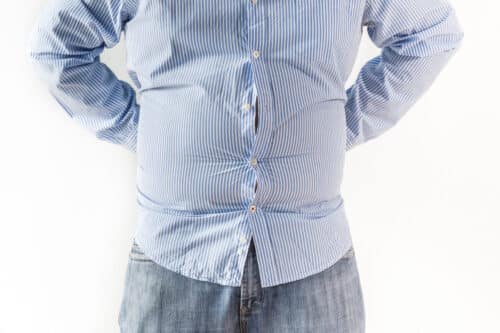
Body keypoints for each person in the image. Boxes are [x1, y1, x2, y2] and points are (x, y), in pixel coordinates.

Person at [27, 0, 464, 331]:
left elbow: (430, 35)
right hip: (175, 261)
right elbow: (58, 50)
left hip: (312, 262)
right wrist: (144, 133)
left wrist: (339, 126)